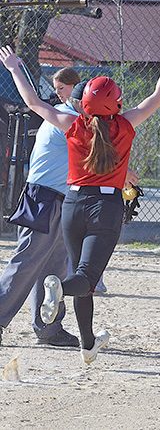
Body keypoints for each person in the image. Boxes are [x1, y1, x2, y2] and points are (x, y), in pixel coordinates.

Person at [0, 26, 160, 364]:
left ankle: (65, 333)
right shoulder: (116, 125)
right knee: (63, 270)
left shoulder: (73, 123)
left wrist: (15, 69)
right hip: (80, 202)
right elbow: (158, 97)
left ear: (83, 104)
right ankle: (35, 303)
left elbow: (32, 102)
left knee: (60, 265)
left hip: (71, 203)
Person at [0, 69, 81, 348]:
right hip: (43, 197)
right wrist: (14, 68)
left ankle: (49, 327)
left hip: (62, 197)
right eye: (58, 88)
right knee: (27, 261)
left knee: (54, 266)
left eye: (65, 87)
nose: (59, 92)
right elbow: (33, 100)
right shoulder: (66, 116)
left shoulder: (80, 117)